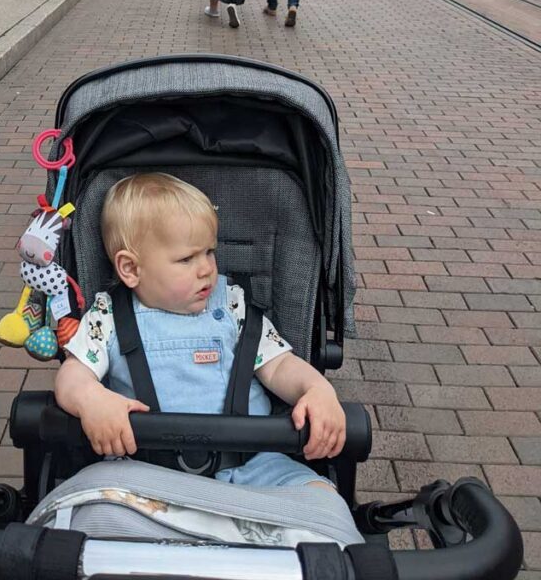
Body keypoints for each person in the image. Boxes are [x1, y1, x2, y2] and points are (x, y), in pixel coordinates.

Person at [56, 172, 355, 519]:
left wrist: (317, 388)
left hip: (251, 464)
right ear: (130, 268)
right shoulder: (106, 316)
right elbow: (72, 375)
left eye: (210, 252)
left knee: (323, 503)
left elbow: (279, 365)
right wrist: (92, 399)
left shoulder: (232, 305)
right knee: (91, 512)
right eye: (187, 259)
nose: (206, 270)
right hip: (142, 470)